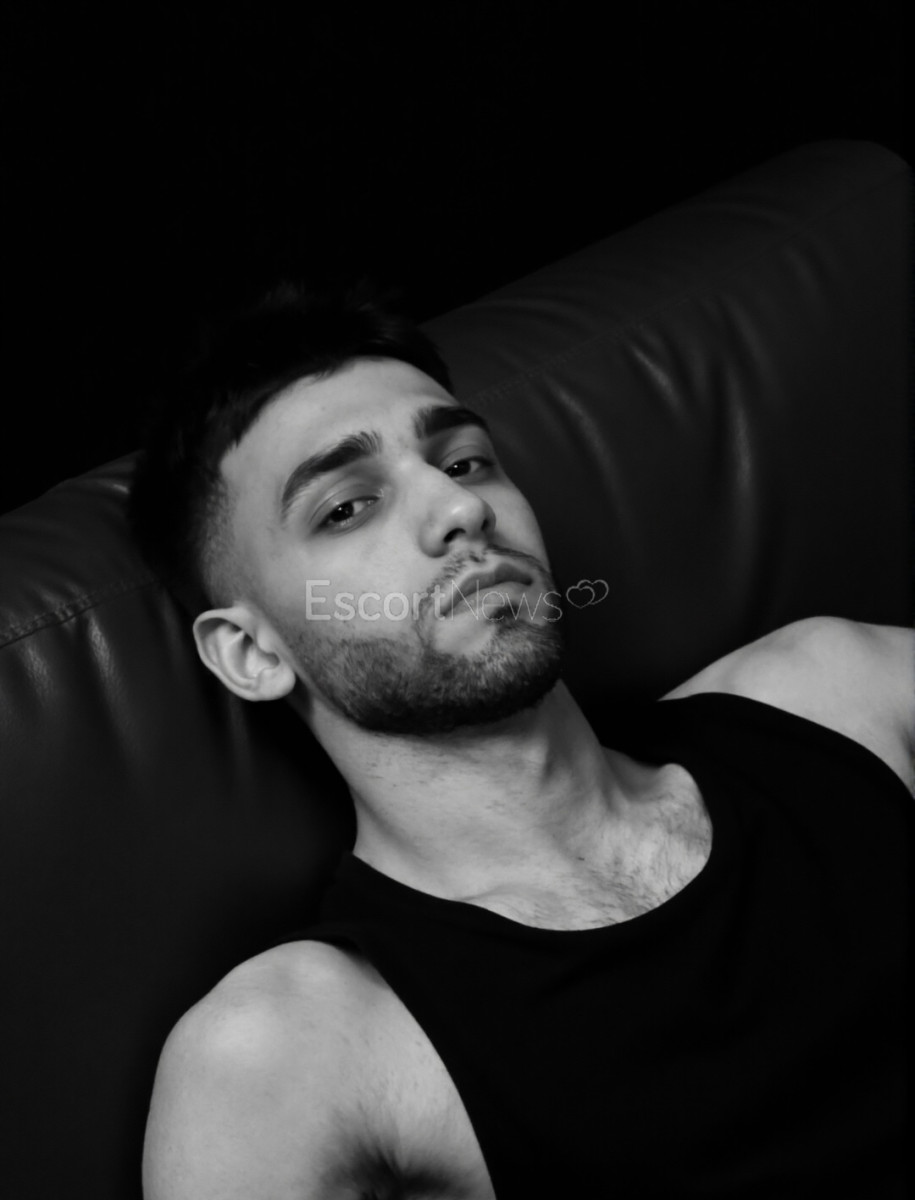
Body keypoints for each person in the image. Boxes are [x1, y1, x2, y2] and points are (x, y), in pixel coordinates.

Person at [132, 281, 912, 1199]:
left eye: (464, 462)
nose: (459, 510)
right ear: (253, 652)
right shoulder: (295, 1053)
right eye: (345, 507)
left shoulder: (841, 696)